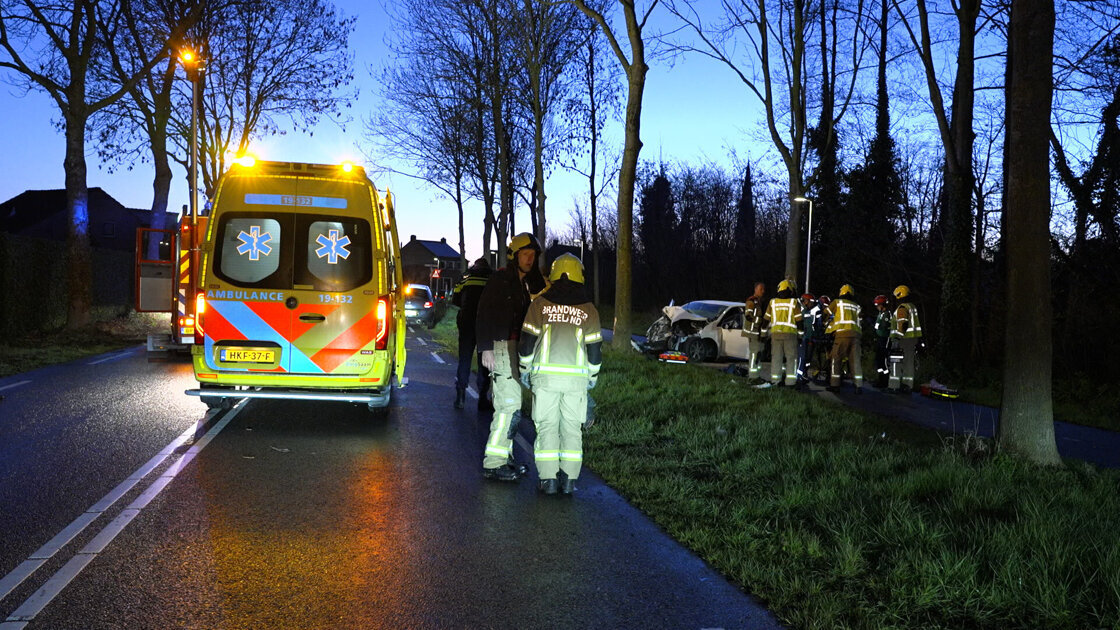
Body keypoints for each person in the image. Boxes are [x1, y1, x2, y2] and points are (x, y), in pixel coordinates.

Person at [518, 254, 602, 496]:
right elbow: (595, 350)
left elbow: (526, 343)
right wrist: (592, 377)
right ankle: (568, 481)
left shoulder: (539, 305)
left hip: (545, 379)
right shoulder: (589, 310)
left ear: (555, 275)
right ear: (579, 275)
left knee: (546, 427)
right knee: (572, 430)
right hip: (576, 382)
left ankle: (548, 481)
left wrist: (525, 370)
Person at [476, 232, 546, 482]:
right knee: (509, 407)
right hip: (501, 347)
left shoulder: (524, 283)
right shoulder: (500, 280)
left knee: (510, 406)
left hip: (516, 348)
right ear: (514, 256)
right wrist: (486, 348)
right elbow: (483, 312)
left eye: (533, 255)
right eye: (525, 254)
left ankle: (505, 458)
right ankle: (494, 462)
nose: (530, 259)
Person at [451, 257, 492, 410]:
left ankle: (460, 396)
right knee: (484, 361)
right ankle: (482, 398)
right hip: (485, 324)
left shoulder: (465, 277)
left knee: (465, 358)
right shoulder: (492, 277)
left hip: (466, 322)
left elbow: (455, 300)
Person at [763, 279, 802, 387]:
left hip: (776, 335)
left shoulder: (772, 302)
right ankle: (790, 383)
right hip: (790, 335)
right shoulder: (794, 303)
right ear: (790, 290)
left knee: (776, 358)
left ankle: (775, 381)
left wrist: (763, 334)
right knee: (791, 359)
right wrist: (800, 336)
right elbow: (799, 321)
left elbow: (766, 320)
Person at [825, 284, 863, 393]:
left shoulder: (837, 302)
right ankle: (858, 386)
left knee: (836, 359)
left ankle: (835, 385)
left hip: (842, 334)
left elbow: (826, 313)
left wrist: (826, 321)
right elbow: (860, 321)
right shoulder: (857, 306)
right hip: (856, 336)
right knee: (855, 361)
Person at [888, 284, 923, 393]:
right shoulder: (912, 307)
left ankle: (894, 386)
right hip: (912, 340)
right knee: (909, 363)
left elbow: (903, 325)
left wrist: (897, 339)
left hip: (902, 340)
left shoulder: (902, 308)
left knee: (896, 363)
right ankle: (908, 386)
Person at [741, 283, 766, 383]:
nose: (763, 291)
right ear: (755, 289)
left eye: (763, 289)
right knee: (754, 354)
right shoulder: (751, 301)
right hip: (752, 332)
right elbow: (748, 315)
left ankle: (756, 375)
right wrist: (760, 321)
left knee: (758, 354)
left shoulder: (760, 302)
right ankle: (752, 377)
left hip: (757, 332)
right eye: (761, 289)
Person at [796, 293, 817, 386]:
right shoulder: (801, 311)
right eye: (810, 301)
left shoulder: (807, 311)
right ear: (805, 301)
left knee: (806, 358)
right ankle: (798, 377)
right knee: (801, 358)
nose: (812, 303)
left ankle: (802, 375)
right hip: (802, 338)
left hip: (807, 339)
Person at [872, 295, 892, 388]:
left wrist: (876, 326)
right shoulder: (881, 313)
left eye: (878, 305)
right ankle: (880, 379)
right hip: (879, 338)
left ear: (882, 305)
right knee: (878, 360)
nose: (876, 307)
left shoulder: (887, 314)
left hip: (885, 339)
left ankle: (885, 380)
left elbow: (883, 326)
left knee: (883, 360)